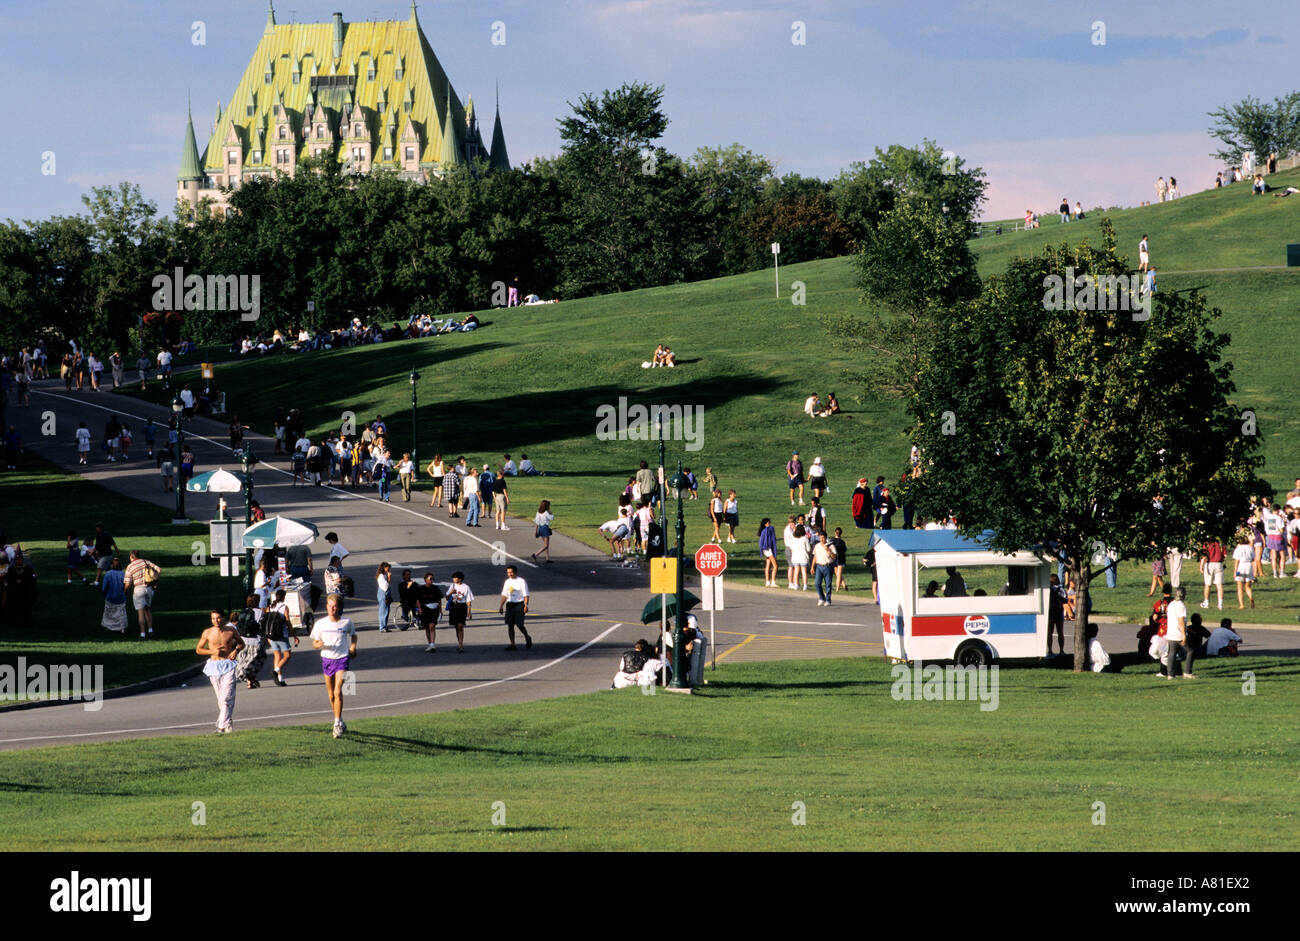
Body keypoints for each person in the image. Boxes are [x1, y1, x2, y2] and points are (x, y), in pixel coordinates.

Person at [310, 593, 357, 738]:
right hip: (327, 659)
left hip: (342, 659)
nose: (332, 608)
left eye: (335, 606)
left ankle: (336, 723)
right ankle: (340, 719)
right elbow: (314, 642)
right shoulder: (321, 623)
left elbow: (353, 635)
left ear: (339, 608)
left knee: (338, 692)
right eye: (330, 606)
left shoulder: (346, 622)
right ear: (327, 606)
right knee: (331, 695)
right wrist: (319, 644)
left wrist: (353, 647)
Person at [196, 610, 243, 733]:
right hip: (214, 666)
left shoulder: (230, 631)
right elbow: (199, 649)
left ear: (223, 618)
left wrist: (235, 651)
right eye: (213, 618)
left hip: (228, 665)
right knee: (221, 699)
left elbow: (241, 644)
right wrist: (212, 652)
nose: (215, 621)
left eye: (218, 618)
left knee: (226, 697)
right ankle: (227, 723)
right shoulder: (208, 632)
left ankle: (221, 727)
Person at [123, 549, 161, 638]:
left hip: (138, 589)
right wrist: (155, 582)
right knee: (147, 610)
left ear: (131, 557)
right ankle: (151, 630)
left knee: (140, 612)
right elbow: (159, 569)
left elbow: (128, 583)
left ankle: (142, 633)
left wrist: (124, 591)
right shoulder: (146, 562)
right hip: (149, 588)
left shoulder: (130, 567)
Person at [264, 589, 298, 686]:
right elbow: (288, 622)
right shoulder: (284, 607)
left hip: (271, 635)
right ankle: (275, 671)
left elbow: (266, 620)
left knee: (277, 656)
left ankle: (279, 679)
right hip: (281, 635)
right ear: (283, 597)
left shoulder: (270, 607)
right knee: (287, 655)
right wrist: (294, 635)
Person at [234, 594, 267, 689]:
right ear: (258, 601)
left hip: (243, 640)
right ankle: (249, 677)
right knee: (256, 661)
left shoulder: (243, 612)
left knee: (244, 660)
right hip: (255, 640)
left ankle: (249, 680)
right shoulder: (260, 612)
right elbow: (261, 626)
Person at [498, 565, 532, 650]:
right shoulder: (507, 582)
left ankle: (527, 637)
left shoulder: (521, 581)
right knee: (510, 625)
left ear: (515, 572)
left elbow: (526, 595)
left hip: (519, 604)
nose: (509, 574)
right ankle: (512, 644)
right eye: (508, 572)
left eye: (511, 572)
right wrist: (501, 606)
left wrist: (526, 605)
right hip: (510, 604)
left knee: (519, 624)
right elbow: (504, 595)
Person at [1164, 586, 1191, 678]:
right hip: (1178, 633)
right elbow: (1181, 621)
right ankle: (1187, 672)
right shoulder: (1181, 606)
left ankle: (1170, 674)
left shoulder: (1171, 604)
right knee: (1190, 651)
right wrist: (1184, 635)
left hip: (1171, 632)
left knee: (1172, 653)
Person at [445, 571, 474, 651]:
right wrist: (451, 592)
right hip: (454, 606)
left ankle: (461, 645)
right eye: (453, 578)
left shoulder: (466, 587)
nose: (453, 579)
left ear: (460, 579)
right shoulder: (453, 586)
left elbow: (468, 600)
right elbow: (447, 597)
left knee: (460, 625)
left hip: (462, 606)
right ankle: (459, 643)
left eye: (455, 578)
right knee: (456, 626)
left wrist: (469, 611)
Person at [418, 572, 446, 652]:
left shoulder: (435, 588)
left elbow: (439, 599)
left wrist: (440, 610)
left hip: (434, 609)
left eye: (433, 579)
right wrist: (420, 609)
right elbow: (418, 600)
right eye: (430, 579)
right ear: (425, 580)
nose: (432, 580)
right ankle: (429, 644)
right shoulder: (421, 589)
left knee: (432, 626)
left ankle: (433, 644)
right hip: (425, 609)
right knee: (427, 627)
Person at [100, 556, 128, 634]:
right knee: (121, 613)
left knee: (109, 613)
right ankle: (121, 628)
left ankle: (109, 626)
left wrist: (104, 593)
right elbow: (126, 585)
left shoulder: (108, 574)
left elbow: (104, 587)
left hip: (110, 597)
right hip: (121, 597)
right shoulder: (123, 574)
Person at [1200, 538, 1226, 610]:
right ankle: (1220, 604)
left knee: (1208, 585)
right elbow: (1224, 555)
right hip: (1219, 564)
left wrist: (1201, 566)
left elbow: (1205, 556)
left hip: (1210, 564)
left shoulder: (1207, 543)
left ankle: (1206, 602)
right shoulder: (1220, 543)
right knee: (1219, 585)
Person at [1232, 531, 1255, 609]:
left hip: (1240, 567)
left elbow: (1236, 561)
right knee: (1248, 586)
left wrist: (1235, 571)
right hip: (1249, 566)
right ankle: (1251, 598)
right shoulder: (1250, 548)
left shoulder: (1238, 549)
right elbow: (1253, 559)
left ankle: (1241, 604)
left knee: (1239, 587)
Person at [812, 534, 834, 606]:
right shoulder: (817, 546)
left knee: (828, 584)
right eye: (820, 538)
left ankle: (828, 600)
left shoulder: (831, 546)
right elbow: (815, 556)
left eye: (823, 538)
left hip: (828, 566)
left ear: (826, 538)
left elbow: (834, 557)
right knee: (817, 583)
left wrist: (828, 550)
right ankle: (821, 598)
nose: (821, 539)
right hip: (819, 566)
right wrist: (812, 566)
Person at [1047, 573, 1065, 656]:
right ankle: (1061, 650)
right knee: (1060, 632)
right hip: (1059, 612)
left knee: (1049, 633)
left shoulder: (1047, 590)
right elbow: (1065, 600)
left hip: (1050, 613)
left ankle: (1050, 650)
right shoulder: (1061, 589)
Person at [789, 523, 811, 591]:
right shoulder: (805, 538)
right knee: (803, 571)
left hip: (795, 557)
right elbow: (808, 549)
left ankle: (796, 585)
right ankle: (805, 585)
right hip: (803, 557)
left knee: (796, 571)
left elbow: (791, 548)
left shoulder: (793, 538)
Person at [758, 518, 778, 586]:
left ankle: (767, 581)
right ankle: (773, 581)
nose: (769, 524)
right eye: (768, 523)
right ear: (765, 524)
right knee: (775, 566)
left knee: (768, 565)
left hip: (766, 550)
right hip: (768, 549)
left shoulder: (763, 531)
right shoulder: (767, 530)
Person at [375, 562, 394, 632]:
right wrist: (389, 578)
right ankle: (382, 627)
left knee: (386, 610)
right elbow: (385, 586)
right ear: (383, 568)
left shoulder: (384, 575)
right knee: (383, 610)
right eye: (387, 568)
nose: (388, 569)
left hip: (385, 593)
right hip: (383, 593)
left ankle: (384, 626)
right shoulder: (381, 576)